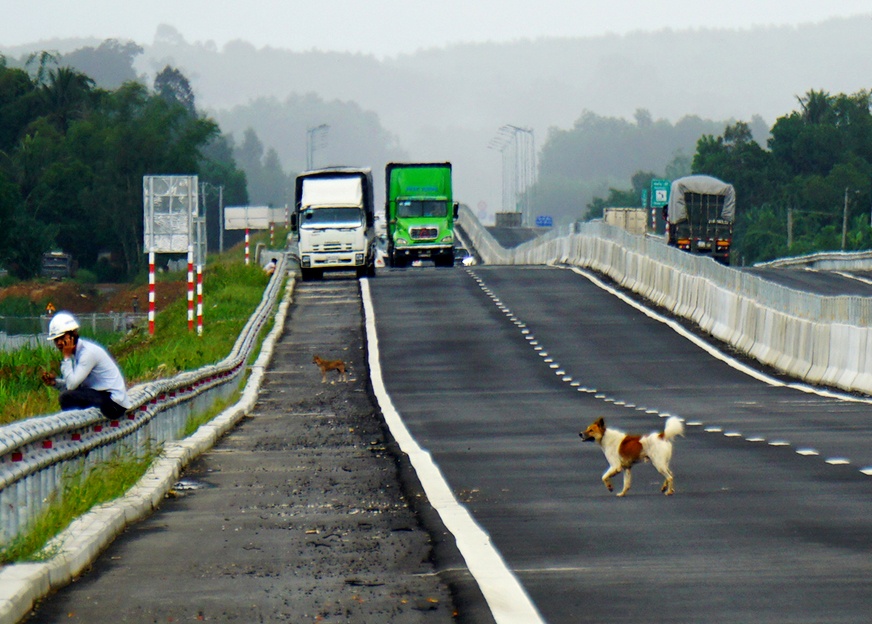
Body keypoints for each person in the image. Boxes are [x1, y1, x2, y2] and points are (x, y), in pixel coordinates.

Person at [41, 311, 132, 419]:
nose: (59, 343)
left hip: (114, 404)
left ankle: (75, 429)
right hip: (107, 398)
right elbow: (77, 385)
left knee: (66, 397)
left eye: (62, 338)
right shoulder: (78, 353)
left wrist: (66, 357)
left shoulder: (87, 353)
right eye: (56, 340)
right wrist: (55, 383)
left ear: (73, 334)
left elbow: (71, 385)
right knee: (71, 395)